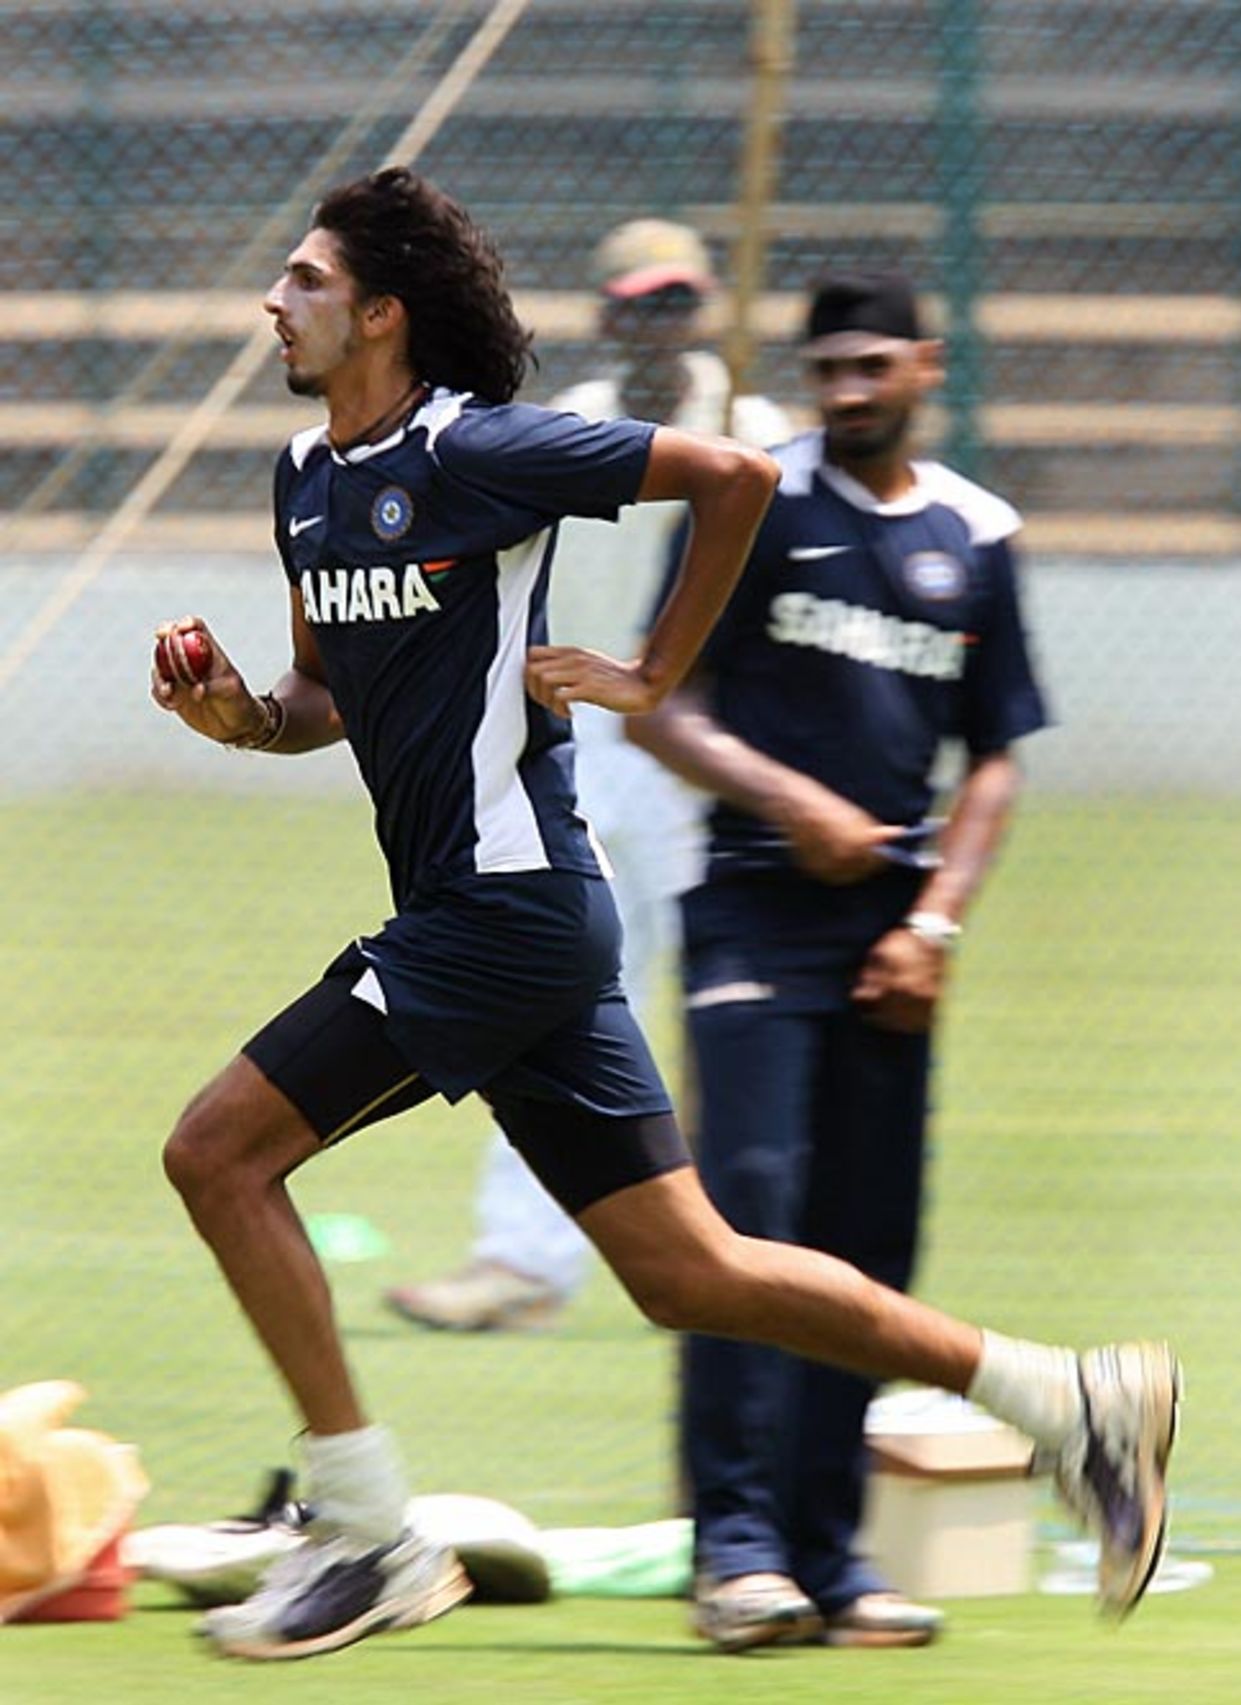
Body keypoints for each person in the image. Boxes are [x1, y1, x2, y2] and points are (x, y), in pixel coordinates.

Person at [149, 166, 1178, 1664]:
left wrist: (648, 680)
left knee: (214, 1152)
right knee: (690, 1271)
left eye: (305, 279)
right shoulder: (305, 479)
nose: (274, 301)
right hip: (508, 923)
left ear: (382, 312)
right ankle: (1063, 1396)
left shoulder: (483, 448)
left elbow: (735, 477)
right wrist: (240, 718)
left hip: (501, 915)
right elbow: (323, 699)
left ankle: (370, 1532)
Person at [625, 270, 1060, 1651]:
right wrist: (788, 801)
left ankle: (833, 1555)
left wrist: (934, 927)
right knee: (746, 1231)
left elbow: (994, 755)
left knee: (872, 1244)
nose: (850, 390)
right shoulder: (753, 498)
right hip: (756, 917)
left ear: (929, 363)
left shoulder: (979, 535)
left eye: (875, 365)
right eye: (829, 371)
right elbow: (657, 703)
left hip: (894, 946)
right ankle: (737, 1553)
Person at [383, 218, 791, 1332]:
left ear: (707, 306)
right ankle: (522, 1260)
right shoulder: (576, 427)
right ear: (608, 312)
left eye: (677, 301)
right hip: (602, 741)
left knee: (737, 996)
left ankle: (761, 1246)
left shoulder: (761, 429)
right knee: (571, 988)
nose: (657, 321)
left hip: (717, 735)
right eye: (638, 303)